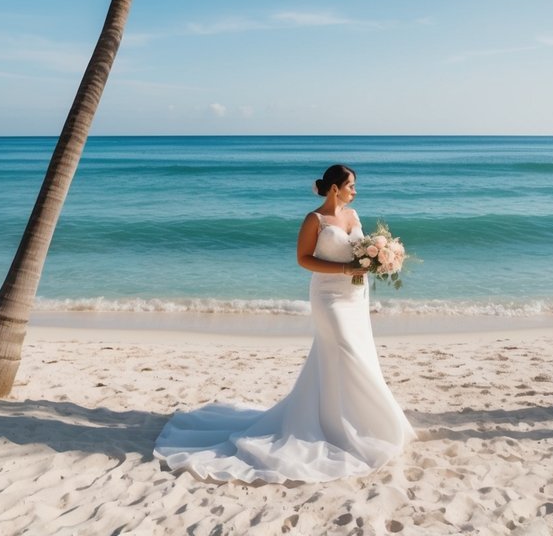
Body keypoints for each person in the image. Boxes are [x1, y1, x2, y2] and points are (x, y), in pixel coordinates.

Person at [154, 163, 415, 483]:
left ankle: (356, 422)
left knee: (353, 353)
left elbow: (357, 250)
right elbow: (304, 259)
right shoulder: (315, 220)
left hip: (355, 298)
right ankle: (350, 427)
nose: (354, 191)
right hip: (328, 296)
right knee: (346, 348)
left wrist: (374, 260)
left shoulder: (354, 216)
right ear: (334, 188)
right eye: (350, 186)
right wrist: (346, 270)